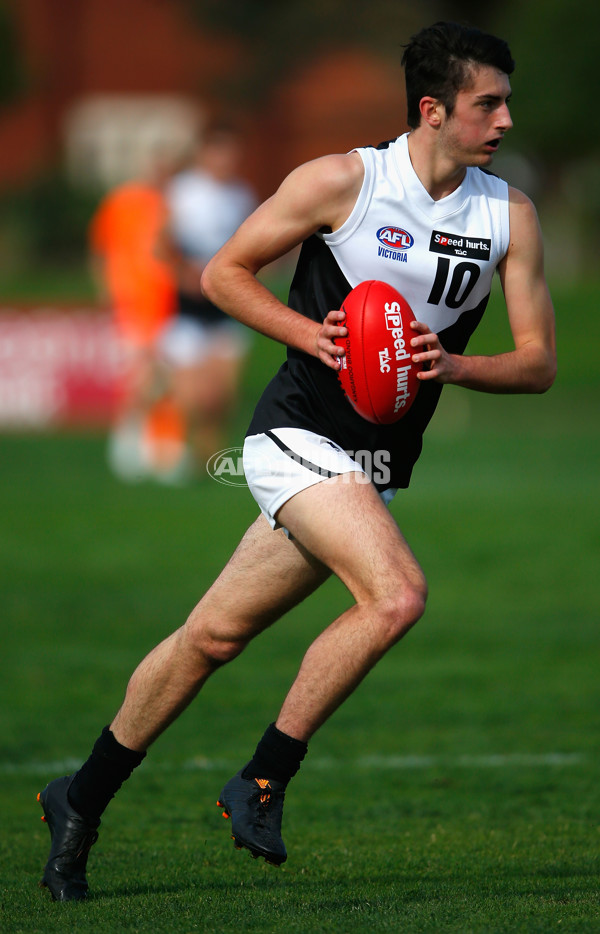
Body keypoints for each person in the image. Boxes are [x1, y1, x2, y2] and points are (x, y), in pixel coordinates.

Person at [37, 21, 556, 900]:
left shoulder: (508, 216)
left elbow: (540, 362)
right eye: (487, 103)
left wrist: (456, 363)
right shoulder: (341, 181)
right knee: (397, 595)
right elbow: (225, 273)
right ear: (433, 111)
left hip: (374, 465)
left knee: (212, 636)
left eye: (506, 101)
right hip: (293, 438)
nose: (505, 119)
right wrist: (312, 336)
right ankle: (263, 780)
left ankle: (77, 799)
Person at [156, 122, 257, 472]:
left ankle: (208, 460)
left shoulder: (241, 195)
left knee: (222, 395)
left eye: (231, 151)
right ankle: (183, 455)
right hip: (188, 305)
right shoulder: (182, 192)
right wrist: (182, 269)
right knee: (192, 395)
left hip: (226, 304)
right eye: (219, 151)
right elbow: (161, 243)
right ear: (204, 153)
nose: (226, 159)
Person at [89, 158, 188, 483]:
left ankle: (160, 447)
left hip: (167, 303)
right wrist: (107, 290)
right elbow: (101, 249)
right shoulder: (122, 202)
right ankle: (131, 444)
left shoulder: (170, 205)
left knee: (164, 379)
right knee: (143, 376)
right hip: (133, 301)